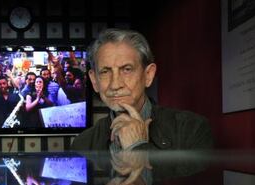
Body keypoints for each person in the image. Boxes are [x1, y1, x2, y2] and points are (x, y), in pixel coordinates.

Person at [71, 28, 213, 151]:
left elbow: (195, 182)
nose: (115, 85)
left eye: (127, 69)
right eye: (105, 72)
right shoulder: (82, 144)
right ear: (94, 81)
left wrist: (139, 148)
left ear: (148, 75)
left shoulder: (191, 129)